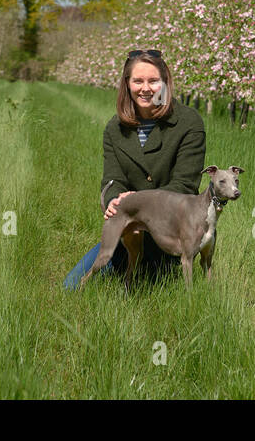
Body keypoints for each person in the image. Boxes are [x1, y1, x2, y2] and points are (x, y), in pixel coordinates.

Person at [63, 49, 207, 289]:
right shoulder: (114, 129)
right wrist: (113, 200)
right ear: (127, 84)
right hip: (128, 225)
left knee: (154, 283)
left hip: (171, 227)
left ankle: (162, 265)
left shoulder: (188, 123)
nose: (146, 88)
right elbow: (112, 179)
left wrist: (140, 200)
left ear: (165, 83)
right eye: (137, 81)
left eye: (153, 81)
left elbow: (185, 185)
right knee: (71, 285)